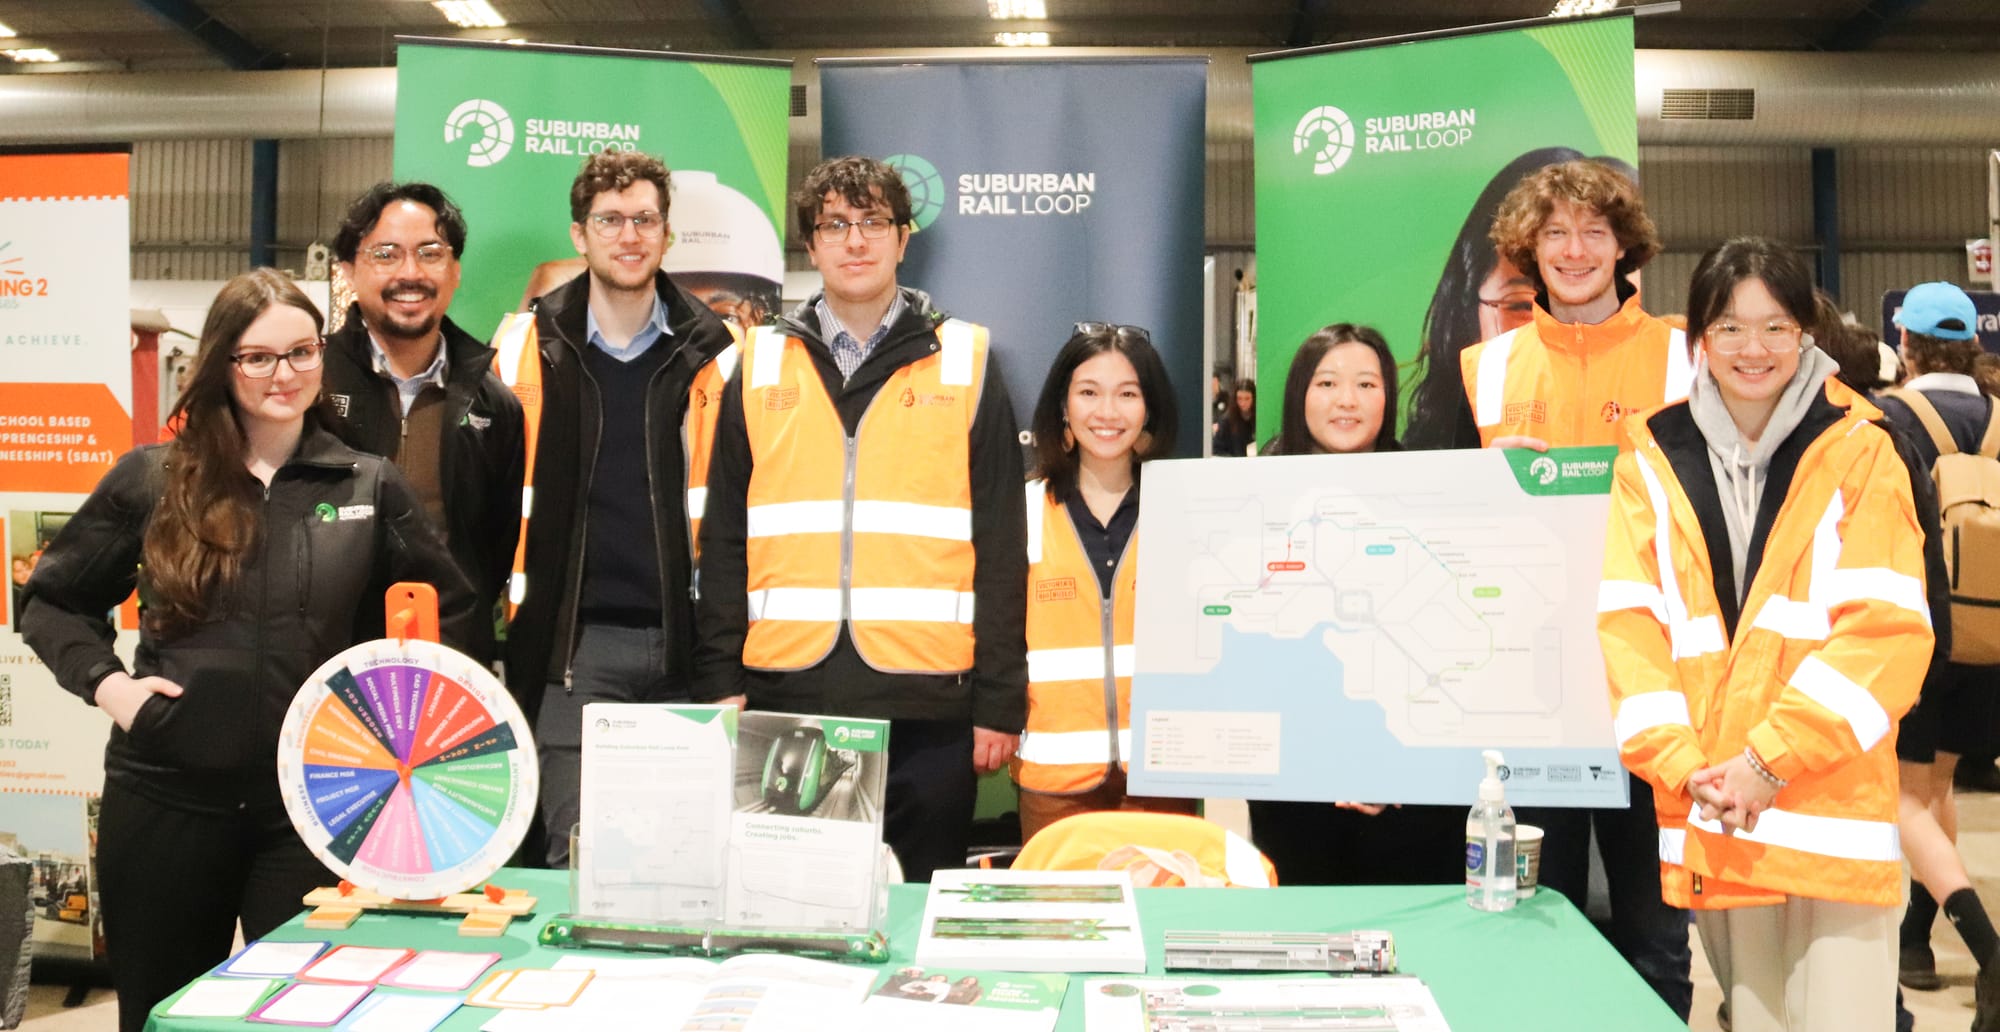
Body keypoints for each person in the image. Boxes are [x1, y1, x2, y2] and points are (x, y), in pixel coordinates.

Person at [17, 269, 478, 1032]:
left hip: (311, 813)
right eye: (256, 357)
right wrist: (111, 688)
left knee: (303, 1019)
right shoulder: (154, 479)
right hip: (166, 800)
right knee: (163, 1017)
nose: (283, 373)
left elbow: (447, 614)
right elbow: (51, 600)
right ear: (221, 365)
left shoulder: (367, 484)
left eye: (300, 352)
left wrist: (387, 723)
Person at [1601, 237, 1933, 1032]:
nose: (1754, 349)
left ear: (1806, 334)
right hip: (1717, 810)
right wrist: (1687, 770)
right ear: (1699, 341)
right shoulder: (1649, 457)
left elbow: (1886, 635)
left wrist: (1766, 763)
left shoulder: (1862, 449)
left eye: (1776, 327)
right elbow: (1631, 628)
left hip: (1827, 805)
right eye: (1730, 328)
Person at [693, 155, 1028, 882]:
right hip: (789, 691)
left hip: (928, 699)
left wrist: (999, 699)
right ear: (811, 247)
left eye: (873, 222)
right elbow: (724, 537)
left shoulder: (966, 358)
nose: (855, 240)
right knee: (795, 907)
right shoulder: (759, 361)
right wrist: (719, 673)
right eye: (835, 225)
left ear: (903, 239)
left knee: (916, 908)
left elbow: (1003, 541)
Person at [1456, 158, 1694, 1019]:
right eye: (1554, 232)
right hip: (1530, 686)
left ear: (1626, 245)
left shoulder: (1685, 357)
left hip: (1655, 685)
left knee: (1656, 926)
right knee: (1527, 915)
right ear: (1528, 247)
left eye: (1595, 230)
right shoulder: (1486, 366)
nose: (1575, 249)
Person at [500, 151, 740, 868]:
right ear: (580, 236)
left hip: (687, 653)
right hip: (575, 653)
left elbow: (739, 520)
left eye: (644, 219)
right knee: (576, 864)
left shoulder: (720, 353)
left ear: (667, 234)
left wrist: (725, 665)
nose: (629, 236)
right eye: (610, 220)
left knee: (683, 866)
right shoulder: (524, 348)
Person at [1243, 324, 1462, 885]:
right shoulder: (1249, 501)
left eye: (1366, 384)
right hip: (1293, 789)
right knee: (1308, 947)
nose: (1347, 400)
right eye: (1327, 382)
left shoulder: (1432, 495)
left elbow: (1451, 649)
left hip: (1410, 794)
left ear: (1388, 397)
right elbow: (1246, 655)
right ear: (1299, 395)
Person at [324, 181, 524, 663]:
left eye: (430, 253)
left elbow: (494, 548)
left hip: (449, 659)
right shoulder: (309, 386)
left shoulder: (495, 405)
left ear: (454, 271)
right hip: (326, 658)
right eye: (386, 254)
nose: (409, 273)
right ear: (350, 270)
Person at [1012, 323, 1193, 841]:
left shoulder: (1187, 510)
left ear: (1150, 408)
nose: (1108, 413)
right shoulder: (1023, 511)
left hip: (1165, 779)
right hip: (1055, 787)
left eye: (1128, 394)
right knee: (1062, 923)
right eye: (1089, 393)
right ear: (1063, 408)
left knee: (1162, 918)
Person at [1870, 282, 2000, 996]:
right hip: (1988, 629)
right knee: (1938, 785)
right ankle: (1914, 942)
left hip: (1916, 631)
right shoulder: (1999, 417)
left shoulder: (1891, 417)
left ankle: (1987, 946)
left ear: (1907, 343)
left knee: (1902, 797)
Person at [1403, 147, 1586, 451]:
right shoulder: (1437, 446)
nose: (1548, 323)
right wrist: (1487, 480)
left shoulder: (1649, 365)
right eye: (1523, 305)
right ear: (1465, 308)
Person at [1211, 379, 1257, 457]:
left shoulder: (1258, 419)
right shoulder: (1226, 421)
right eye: (1239, 398)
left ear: (1254, 398)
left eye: (1247, 398)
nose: (1243, 403)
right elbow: (1216, 449)